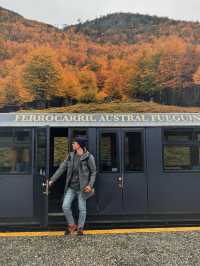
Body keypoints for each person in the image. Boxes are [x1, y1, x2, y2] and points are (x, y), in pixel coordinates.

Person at [48, 136, 97, 235]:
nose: (72, 145)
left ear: (79, 145)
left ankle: (80, 228)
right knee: (65, 206)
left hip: (83, 188)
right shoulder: (70, 156)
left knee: (82, 208)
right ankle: (72, 225)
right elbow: (61, 168)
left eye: (74, 143)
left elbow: (93, 172)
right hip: (71, 188)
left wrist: (90, 185)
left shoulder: (89, 157)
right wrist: (52, 180)